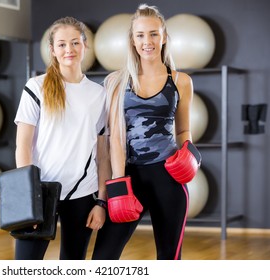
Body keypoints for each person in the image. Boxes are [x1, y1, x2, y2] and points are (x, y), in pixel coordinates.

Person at [92, 4, 194, 260]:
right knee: (103, 257)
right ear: (132, 40)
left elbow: (183, 129)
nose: (147, 41)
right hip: (128, 176)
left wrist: (189, 154)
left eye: (153, 34)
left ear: (164, 37)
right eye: (140, 35)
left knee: (170, 257)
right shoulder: (116, 81)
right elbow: (114, 136)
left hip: (168, 176)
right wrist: (118, 183)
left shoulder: (180, 80)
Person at [14, 16, 110, 260]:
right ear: (52, 50)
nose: (69, 50)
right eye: (62, 44)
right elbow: (22, 146)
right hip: (40, 191)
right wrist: (28, 198)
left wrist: (101, 202)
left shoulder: (99, 94)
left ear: (85, 46)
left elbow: (102, 153)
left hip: (81, 194)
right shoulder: (36, 87)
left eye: (75, 43)